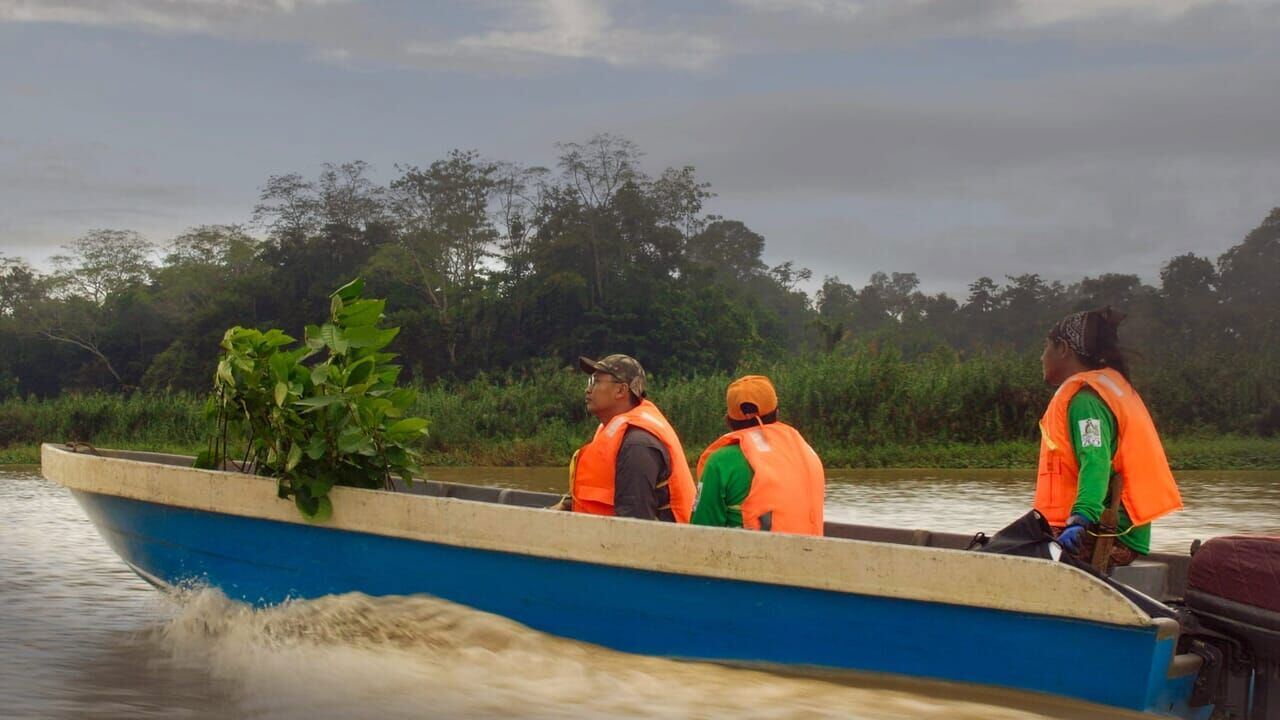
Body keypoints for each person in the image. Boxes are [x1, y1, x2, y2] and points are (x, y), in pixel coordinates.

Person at [1035, 307, 1183, 567]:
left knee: (1005, 554)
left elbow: (1096, 460)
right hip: (1105, 531)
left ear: (1064, 349)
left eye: (1046, 347)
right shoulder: (1107, 389)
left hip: (1101, 533)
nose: (1041, 356)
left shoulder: (1085, 402)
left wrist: (1081, 518)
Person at [559, 354, 695, 522]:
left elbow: (634, 523)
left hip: (659, 543)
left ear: (621, 390)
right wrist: (564, 506)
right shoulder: (614, 432)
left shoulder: (637, 445)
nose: (588, 389)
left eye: (596, 381)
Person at [692, 375, 825, 535]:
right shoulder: (807, 453)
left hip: (750, 557)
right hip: (807, 555)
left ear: (728, 420)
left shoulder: (720, 462)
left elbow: (701, 529)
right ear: (777, 412)